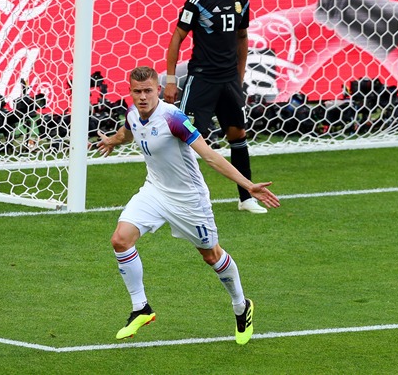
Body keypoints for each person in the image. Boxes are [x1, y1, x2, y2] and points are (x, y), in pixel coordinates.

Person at [96, 66, 280, 343]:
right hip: (155, 191)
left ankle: (242, 307)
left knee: (211, 256)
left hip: (189, 200)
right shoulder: (133, 114)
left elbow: (211, 157)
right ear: (130, 91)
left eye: (148, 91)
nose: (143, 97)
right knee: (120, 240)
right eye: (137, 91)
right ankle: (141, 308)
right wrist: (112, 140)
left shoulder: (174, 119)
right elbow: (129, 132)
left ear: (158, 90)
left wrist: (247, 185)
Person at [164, 0, 266, 213]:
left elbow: (242, 38)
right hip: (202, 78)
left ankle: (246, 198)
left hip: (228, 81)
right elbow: (177, 37)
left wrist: (239, 78)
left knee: (238, 135)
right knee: (183, 135)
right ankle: (176, 196)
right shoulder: (199, 1)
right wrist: (172, 79)